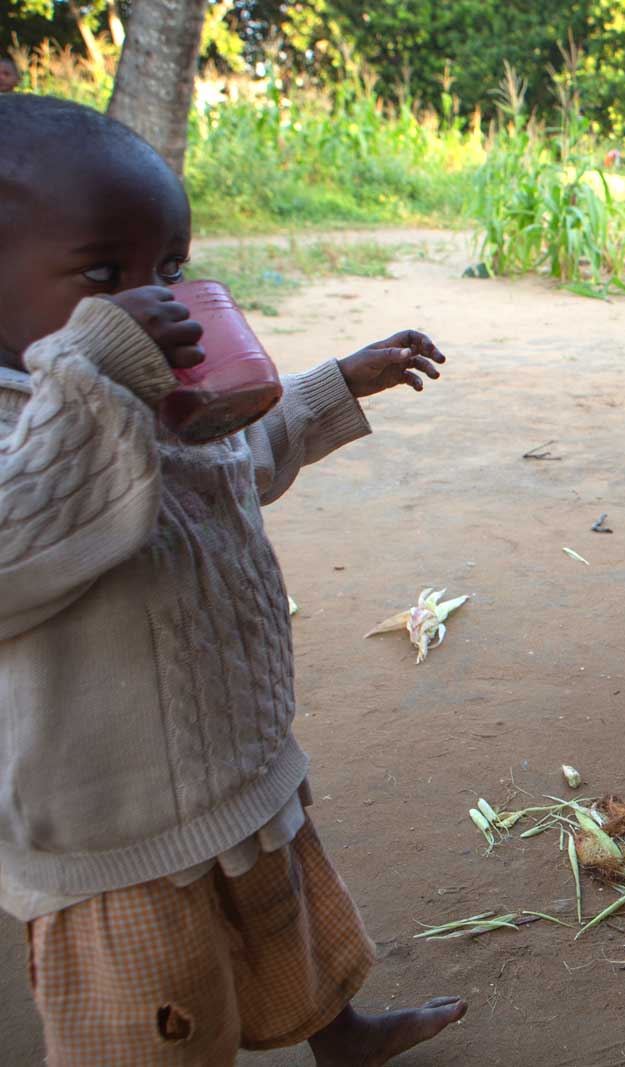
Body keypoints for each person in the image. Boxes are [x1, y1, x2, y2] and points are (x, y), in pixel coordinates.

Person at [0, 94, 466, 1064]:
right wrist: (96, 367)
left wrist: (336, 379)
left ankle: (341, 1035)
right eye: (102, 273)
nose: (155, 301)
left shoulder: (141, 394)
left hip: (232, 762)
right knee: (155, 1016)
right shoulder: (32, 425)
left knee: (289, 925)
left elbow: (239, 452)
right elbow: (33, 527)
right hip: (118, 837)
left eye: (168, 269)